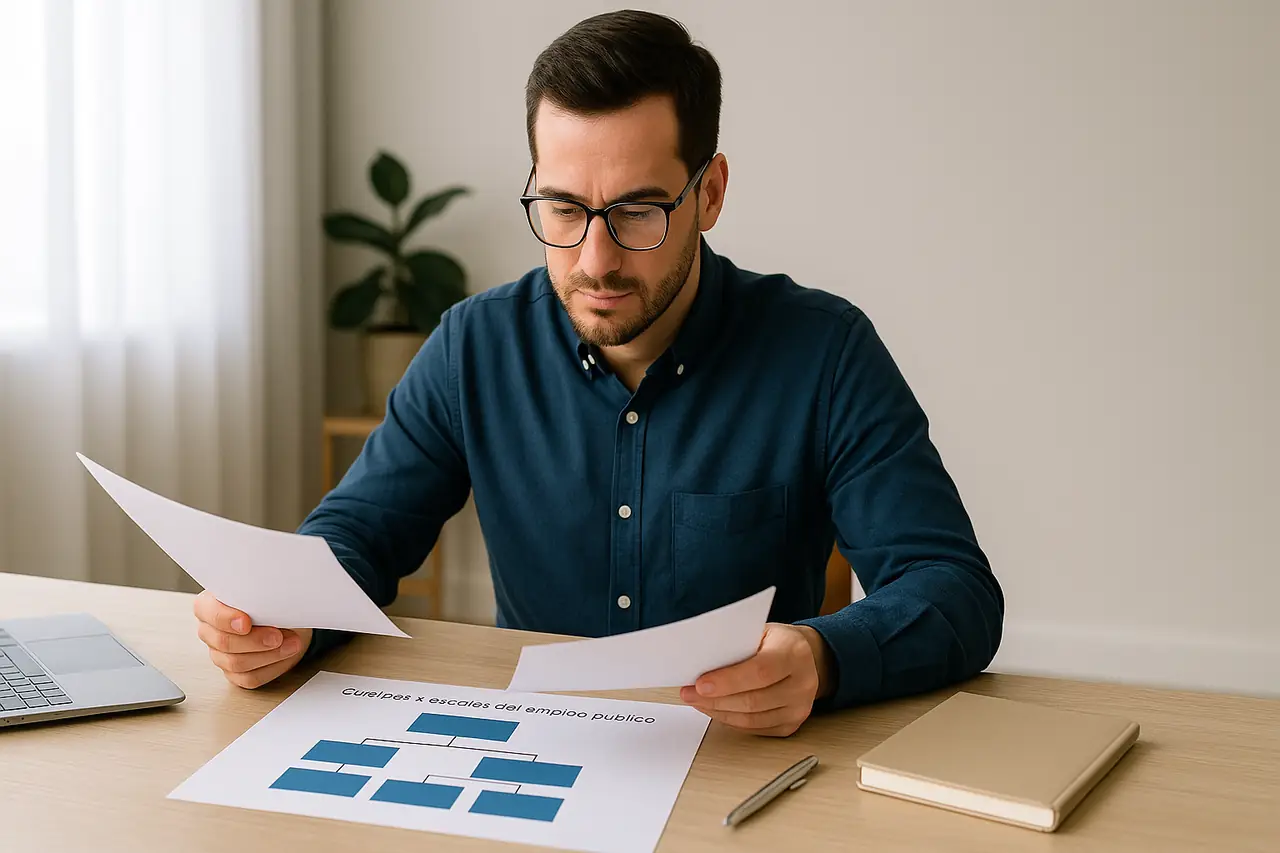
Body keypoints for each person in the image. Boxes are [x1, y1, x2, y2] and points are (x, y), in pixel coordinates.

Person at [193, 9, 1003, 737]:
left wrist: (824, 656)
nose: (594, 258)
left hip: (736, 765)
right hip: (530, 749)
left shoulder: (824, 351)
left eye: (637, 212)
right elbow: (359, 537)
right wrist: (280, 615)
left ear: (710, 192)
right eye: (563, 208)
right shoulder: (473, 346)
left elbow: (953, 589)